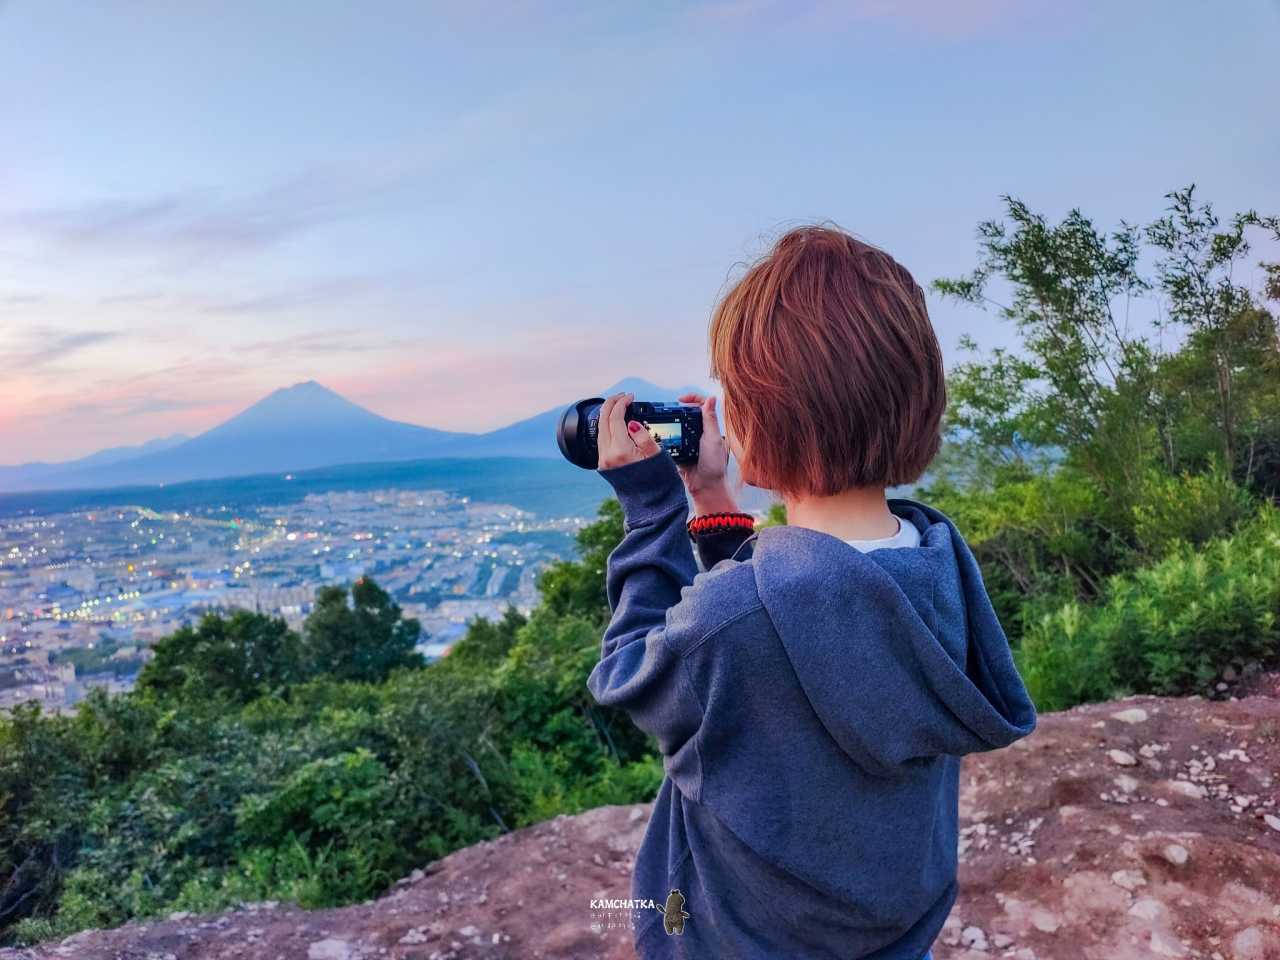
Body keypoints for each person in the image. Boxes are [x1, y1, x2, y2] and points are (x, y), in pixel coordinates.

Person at [586, 225, 1037, 959]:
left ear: (766, 419)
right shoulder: (938, 568)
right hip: (892, 935)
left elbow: (629, 674)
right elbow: (800, 622)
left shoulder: (735, 624)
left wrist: (652, 512)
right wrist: (716, 510)